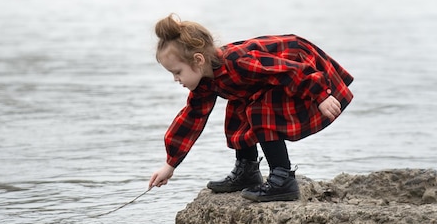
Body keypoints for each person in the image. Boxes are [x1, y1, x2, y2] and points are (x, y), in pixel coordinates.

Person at [148, 14, 354, 202]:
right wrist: (170, 164)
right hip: (278, 77)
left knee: (261, 113)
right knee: (237, 111)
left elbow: (288, 70)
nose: (176, 79)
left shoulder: (239, 63)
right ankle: (247, 171)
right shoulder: (205, 81)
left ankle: (283, 178)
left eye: (177, 72)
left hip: (297, 64)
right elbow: (191, 118)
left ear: (198, 60)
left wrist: (320, 94)